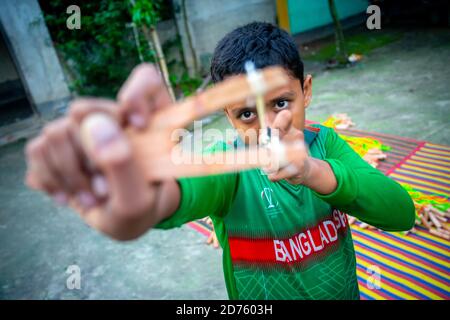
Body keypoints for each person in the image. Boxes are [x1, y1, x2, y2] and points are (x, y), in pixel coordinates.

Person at [25, 22, 415, 299]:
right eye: (247, 114)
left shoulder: (326, 143)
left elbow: (401, 214)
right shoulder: (226, 166)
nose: (268, 127)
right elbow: (186, 188)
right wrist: (142, 190)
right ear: (228, 117)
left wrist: (316, 172)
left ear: (306, 90)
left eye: (281, 103)